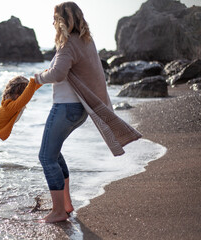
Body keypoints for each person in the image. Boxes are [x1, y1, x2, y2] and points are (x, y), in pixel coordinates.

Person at [34, 2, 141, 223]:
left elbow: (59, 73)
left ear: (63, 20)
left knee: (46, 157)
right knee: (54, 153)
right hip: (79, 109)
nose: (52, 22)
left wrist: (38, 78)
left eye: (55, 18)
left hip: (66, 108)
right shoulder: (86, 41)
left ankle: (58, 211)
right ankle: (66, 204)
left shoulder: (68, 44)